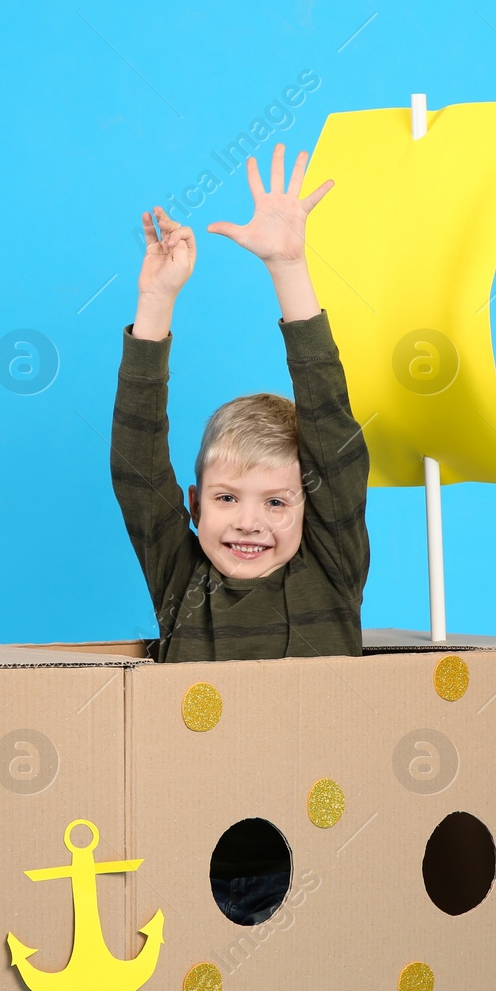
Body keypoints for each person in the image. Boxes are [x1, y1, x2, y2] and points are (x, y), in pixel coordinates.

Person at [110, 142, 370, 665]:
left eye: (276, 502)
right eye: (227, 498)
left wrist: (288, 267)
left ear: (311, 505)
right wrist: (156, 302)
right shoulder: (180, 583)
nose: (248, 523)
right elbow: (136, 466)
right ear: (194, 502)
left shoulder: (331, 570)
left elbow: (328, 421)